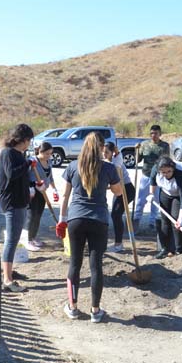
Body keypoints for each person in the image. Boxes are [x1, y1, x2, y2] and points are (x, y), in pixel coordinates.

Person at [58, 132, 121, 323]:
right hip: (99, 220)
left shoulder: (72, 166)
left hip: (76, 219)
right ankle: (95, 310)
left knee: (75, 264)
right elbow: (118, 191)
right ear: (102, 147)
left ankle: (73, 307)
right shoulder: (109, 168)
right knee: (96, 266)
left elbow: (65, 196)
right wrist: (107, 185)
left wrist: (62, 219)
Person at [0, 123, 34, 293]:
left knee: (14, 238)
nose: (29, 143)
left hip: (20, 201)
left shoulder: (18, 154)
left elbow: (21, 177)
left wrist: (34, 186)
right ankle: (7, 279)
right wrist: (27, 164)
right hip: (12, 202)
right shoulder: (8, 153)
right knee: (11, 240)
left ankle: (9, 272)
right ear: (23, 139)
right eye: (29, 140)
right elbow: (12, 174)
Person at [149, 156, 182, 257]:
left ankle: (179, 250)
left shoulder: (181, 174)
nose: (166, 174)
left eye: (169, 171)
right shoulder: (155, 169)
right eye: (163, 172)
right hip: (166, 192)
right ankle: (165, 249)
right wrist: (151, 194)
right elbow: (152, 182)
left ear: (173, 168)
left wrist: (180, 218)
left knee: (175, 220)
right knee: (165, 220)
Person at [133, 125, 170, 229]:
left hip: (159, 177)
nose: (153, 135)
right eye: (152, 133)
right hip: (146, 175)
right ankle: (136, 219)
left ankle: (152, 222)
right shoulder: (144, 144)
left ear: (160, 134)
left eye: (156, 133)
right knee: (141, 199)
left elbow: (167, 161)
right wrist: (136, 150)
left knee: (156, 200)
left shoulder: (164, 146)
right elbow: (137, 160)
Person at [25, 141, 58, 252]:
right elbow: (24, 177)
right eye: (47, 153)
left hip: (43, 192)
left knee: (38, 216)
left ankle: (34, 238)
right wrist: (33, 185)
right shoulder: (33, 161)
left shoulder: (49, 161)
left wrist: (54, 189)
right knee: (32, 216)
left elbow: (50, 176)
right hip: (33, 193)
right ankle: (28, 241)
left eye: (50, 153)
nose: (49, 156)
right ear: (40, 151)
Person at [104, 142, 135, 252]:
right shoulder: (112, 158)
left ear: (111, 152)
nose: (104, 154)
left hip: (126, 189)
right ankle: (118, 243)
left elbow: (117, 181)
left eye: (106, 152)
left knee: (116, 215)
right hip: (119, 189)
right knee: (115, 215)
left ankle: (118, 245)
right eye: (103, 152)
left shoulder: (116, 162)